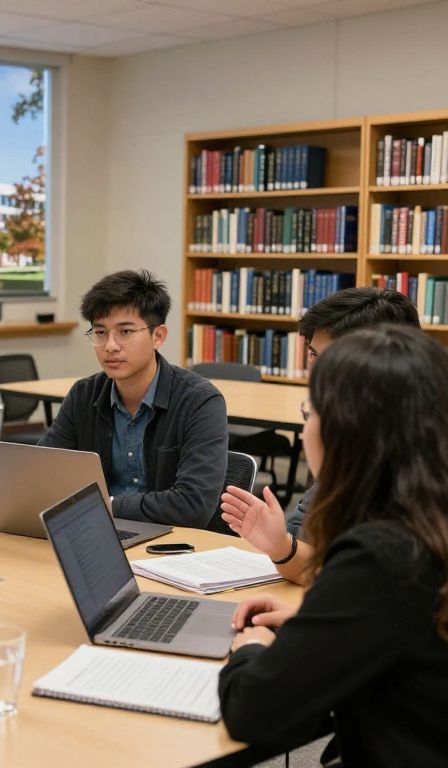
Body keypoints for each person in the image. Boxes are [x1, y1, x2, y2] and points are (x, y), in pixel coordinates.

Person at [219, 325, 448, 766]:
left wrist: (249, 646)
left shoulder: (381, 554)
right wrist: (322, 624)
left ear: (348, 433)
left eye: (311, 413)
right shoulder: (427, 524)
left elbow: (252, 710)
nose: (305, 431)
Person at [220, 287, 420, 584]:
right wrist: (281, 548)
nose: (317, 373)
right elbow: (319, 564)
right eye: (313, 354)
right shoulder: (348, 445)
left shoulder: (419, 472)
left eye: (335, 359)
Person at [39, 269, 228, 527]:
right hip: (97, 530)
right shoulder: (84, 395)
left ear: (158, 336)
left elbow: (193, 505)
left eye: (125, 332)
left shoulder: (200, 402)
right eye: (100, 332)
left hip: (173, 544)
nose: (110, 346)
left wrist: (108, 505)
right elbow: (41, 474)